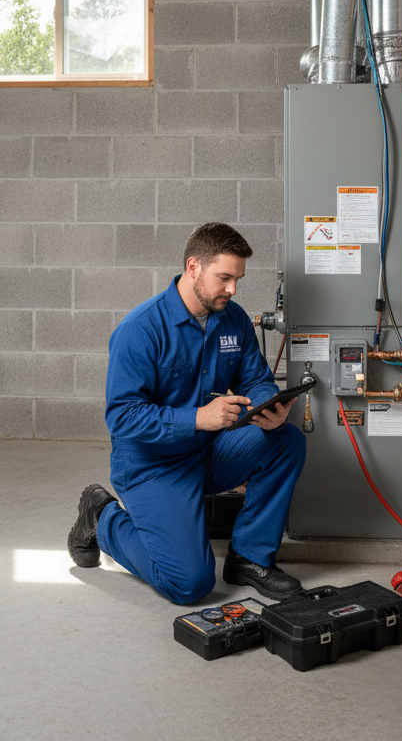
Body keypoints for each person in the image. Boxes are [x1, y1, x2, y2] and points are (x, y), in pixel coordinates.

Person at [67, 222, 307, 604]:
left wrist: (269, 406)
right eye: (224, 278)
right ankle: (103, 518)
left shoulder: (234, 319)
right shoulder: (140, 330)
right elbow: (122, 417)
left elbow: (257, 379)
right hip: (152, 465)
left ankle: (249, 558)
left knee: (286, 439)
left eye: (237, 279)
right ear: (193, 267)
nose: (232, 289)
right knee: (189, 584)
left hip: (208, 451)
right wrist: (198, 418)